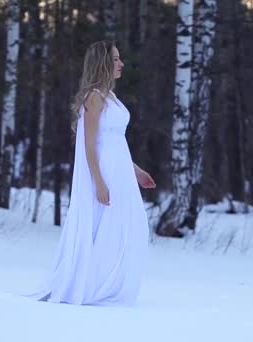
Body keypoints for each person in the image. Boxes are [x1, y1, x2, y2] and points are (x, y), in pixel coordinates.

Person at [25, 40, 156, 306]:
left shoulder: (111, 97)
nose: (121, 64)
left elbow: (116, 141)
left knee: (130, 227)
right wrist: (98, 181)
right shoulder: (94, 97)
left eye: (120, 59)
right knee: (101, 227)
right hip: (103, 171)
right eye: (116, 59)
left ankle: (106, 283)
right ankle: (89, 285)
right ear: (103, 63)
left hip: (120, 171)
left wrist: (137, 171)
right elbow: (89, 144)